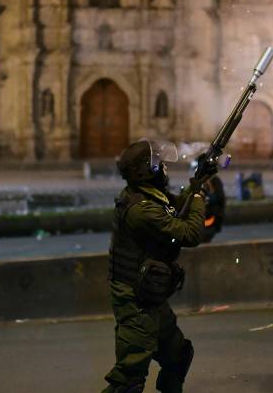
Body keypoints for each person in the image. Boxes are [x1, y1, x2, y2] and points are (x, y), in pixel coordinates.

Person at [102, 139, 216, 393]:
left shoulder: (147, 197)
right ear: (147, 170)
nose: (164, 168)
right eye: (160, 164)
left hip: (149, 296)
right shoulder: (140, 209)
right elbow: (189, 234)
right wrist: (198, 197)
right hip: (134, 300)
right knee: (128, 381)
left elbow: (178, 205)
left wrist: (198, 181)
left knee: (178, 356)